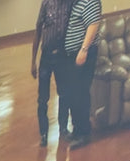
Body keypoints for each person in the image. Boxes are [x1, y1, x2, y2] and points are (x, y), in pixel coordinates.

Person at [32, 0, 73, 145]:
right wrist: (33, 61)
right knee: (43, 98)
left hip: (62, 57)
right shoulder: (46, 3)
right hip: (46, 58)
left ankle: (63, 128)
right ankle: (43, 134)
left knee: (64, 93)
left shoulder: (70, 3)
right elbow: (38, 29)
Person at [63, 0, 102, 148]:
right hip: (73, 55)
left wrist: (84, 50)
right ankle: (77, 129)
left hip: (84, 54)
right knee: (74, 93)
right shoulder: (74, 3)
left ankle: (83, 133)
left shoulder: (89, 1)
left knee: (80, 93)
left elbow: (93, 25)